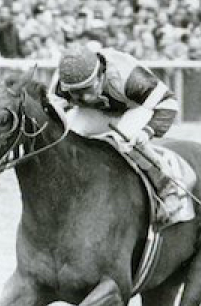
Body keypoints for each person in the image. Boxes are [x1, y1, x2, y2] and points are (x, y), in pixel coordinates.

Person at [51, 45, 189, 219]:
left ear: (101, 73)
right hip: (99, 109)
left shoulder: (129, 76)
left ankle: (168, 188)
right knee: (66, 136)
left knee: (124, 139)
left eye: (88, 88)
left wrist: (147, 132)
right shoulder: (63, 84)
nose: (84, 97)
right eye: (76, 92)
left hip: (135, 108)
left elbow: (169, 103)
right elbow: (54, 113)